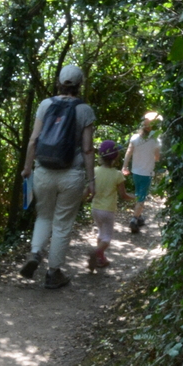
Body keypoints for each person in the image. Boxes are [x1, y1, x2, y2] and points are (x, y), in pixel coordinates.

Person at [19, 64, 96, 289]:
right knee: (62, 224)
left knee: (43, 216)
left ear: (59, 82)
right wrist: (91, 181)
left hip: (43, 171)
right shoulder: (85, 110)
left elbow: (33, 140)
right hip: (71, 174)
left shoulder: (46, 105)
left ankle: (35, 252)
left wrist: (27, 168)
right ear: (80, 85)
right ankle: (53, 273)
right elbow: (88, 149)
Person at [88, 140, 129, 271]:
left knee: (101, 233)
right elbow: (123, 195)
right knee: (107, 237)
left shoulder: (94, 171)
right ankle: (96, 253)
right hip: (108, 210)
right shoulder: (117, 175)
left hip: (95, 208)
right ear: (116, 157)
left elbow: (89, 189)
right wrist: (136, 197)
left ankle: (101, 259)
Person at [123, 110, 161, 231]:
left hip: (135, 172)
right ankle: (134, 219)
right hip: (146, 173)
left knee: (138, 194)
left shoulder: (135, 138)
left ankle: (139, 217)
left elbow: (128, 153)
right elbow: (157, 158)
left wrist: (124, 166)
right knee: (142, 197)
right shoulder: (156, 141)